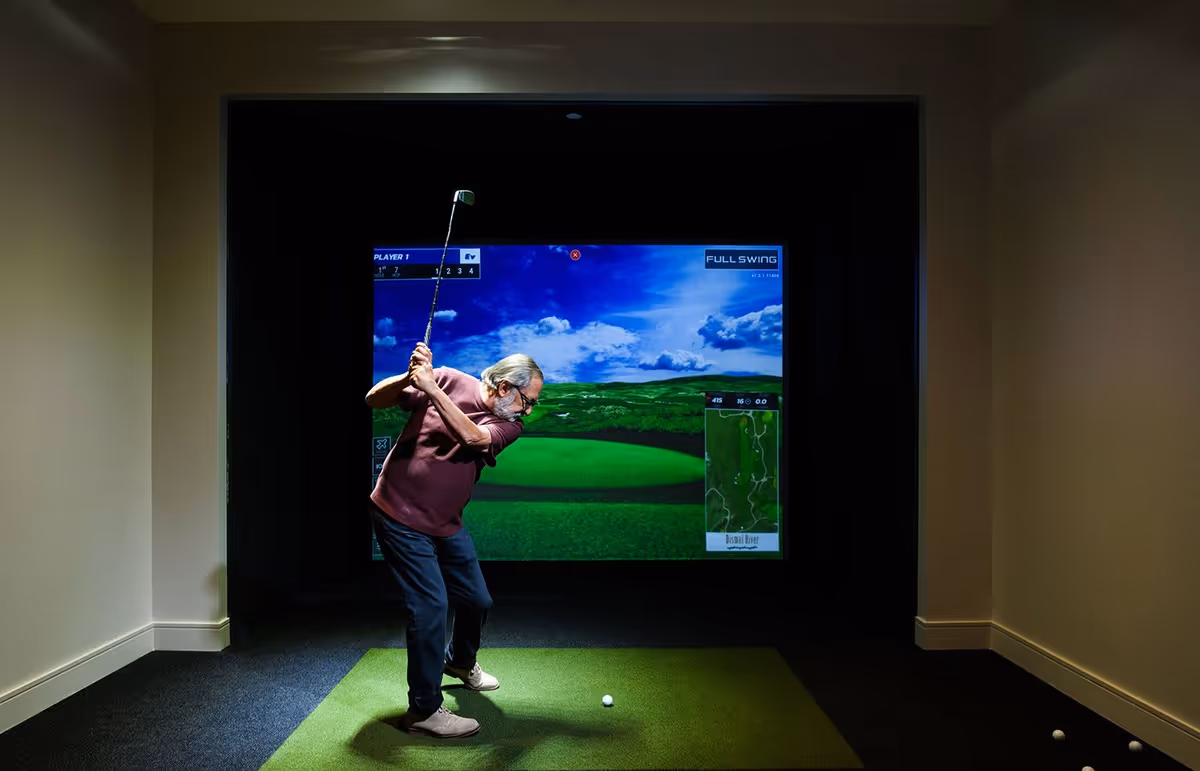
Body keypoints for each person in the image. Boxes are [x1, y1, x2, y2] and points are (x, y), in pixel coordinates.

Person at [365, 341, 544, 738]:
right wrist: (410, 377)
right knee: (430, 606)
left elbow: (474, 438)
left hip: (446, 522)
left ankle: (460, 662)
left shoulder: (510, 426)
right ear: (504, 387)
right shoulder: (447, 378)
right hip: (398, 513)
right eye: (527, 401)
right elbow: (373, 399)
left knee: (477, 600)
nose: (529, 411)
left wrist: (430, 387)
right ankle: (424, 710)